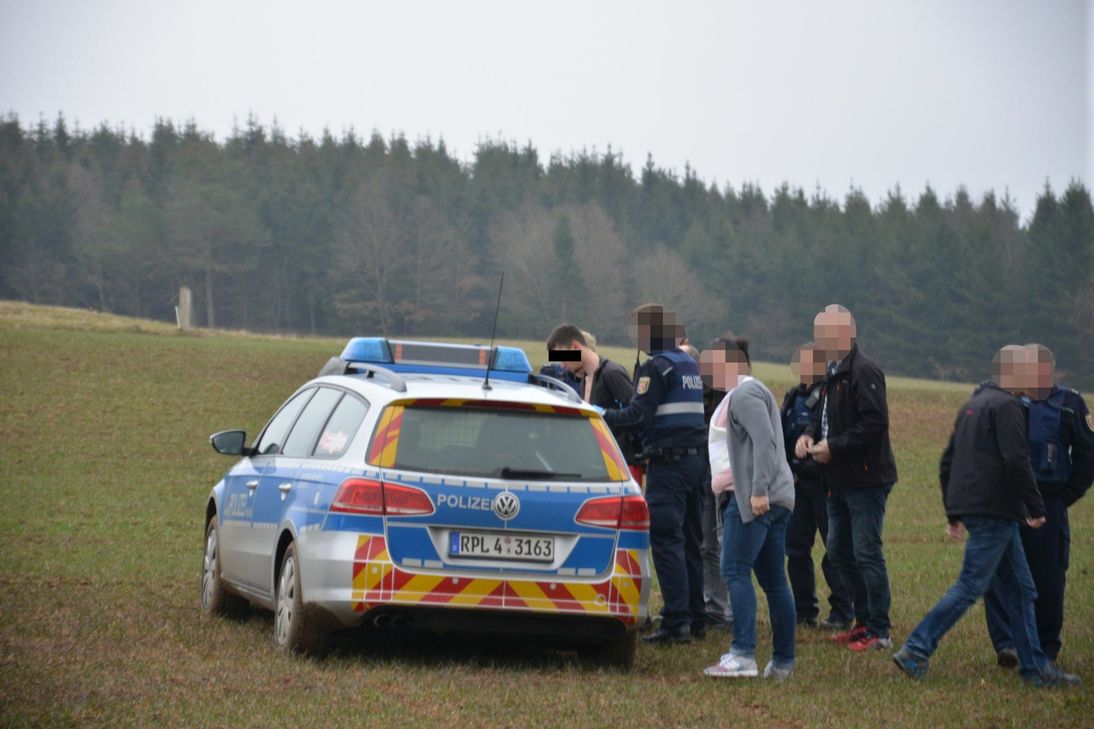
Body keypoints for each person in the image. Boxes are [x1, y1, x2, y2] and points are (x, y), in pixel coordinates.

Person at [892, 346, 1080, 687]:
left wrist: (954, 512)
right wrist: (1036, 508)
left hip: (987, 509)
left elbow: (949, 460)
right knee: (969, 585)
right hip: (996, 511)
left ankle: (1035, 669)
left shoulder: (974, 404)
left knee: (1022, 590)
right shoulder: (1007, 406)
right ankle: (916, 648)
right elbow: (1016, 460)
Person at [982, 343, 1094, 671]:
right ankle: (1007, 644)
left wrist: (1065, 496)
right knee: (999, 575)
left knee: (1048, 577)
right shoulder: (996, 396)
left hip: (1047, 502)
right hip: (1003, 502)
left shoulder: (1070, 404)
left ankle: (1044, 647)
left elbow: (1088, 455)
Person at [794, 304, 897, 652]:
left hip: (866, 480)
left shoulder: (864, 371)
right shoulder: (832, 372)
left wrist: (834, 448)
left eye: (822, 332)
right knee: (839, 551)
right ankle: (863, 621)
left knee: (867, 552)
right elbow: (821, 416)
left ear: (843, 334)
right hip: (836, 481)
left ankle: (880, 631)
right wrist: (808, 435)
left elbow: (874, 424)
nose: (817, 339)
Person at [603, 304, 706, 645]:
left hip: (668, 465)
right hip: (694, 463)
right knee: (691, 541)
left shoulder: (656, 367)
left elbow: (637, 416)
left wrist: (599, 413)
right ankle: (695, 616)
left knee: (666, 541)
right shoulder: (688, 362)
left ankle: (676, 623)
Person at [700, 336, 796, 680]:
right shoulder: (738, 395)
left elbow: (765, 440)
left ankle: (742, 654)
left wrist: (757, 491)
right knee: (773, 581)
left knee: (734, 571)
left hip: (754, 500)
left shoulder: (745, 394)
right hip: (767, 498)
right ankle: (783, 662)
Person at [781, 343, 853, 629]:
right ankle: (804, 611)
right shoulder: (791, 397)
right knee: (796, 548)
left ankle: (842, 611)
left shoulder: (829, 398)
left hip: (824, 485)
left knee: (834, 550)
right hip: (797, 487)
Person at [545, 323, 643, 481]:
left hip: (622, 467)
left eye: (563, 358)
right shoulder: (585, 377)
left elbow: (637, 415)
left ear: (575, 346)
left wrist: (605, 415)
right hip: (597, 466)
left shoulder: (612, 373)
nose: (562, 366)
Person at [682, 342, 732, 632]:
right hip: (703, 477)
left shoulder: (725, 394)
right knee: (705, 545)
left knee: (725, 543)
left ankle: (726, 609)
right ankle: (710, 604)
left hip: (724, 477)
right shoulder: (693, 392)